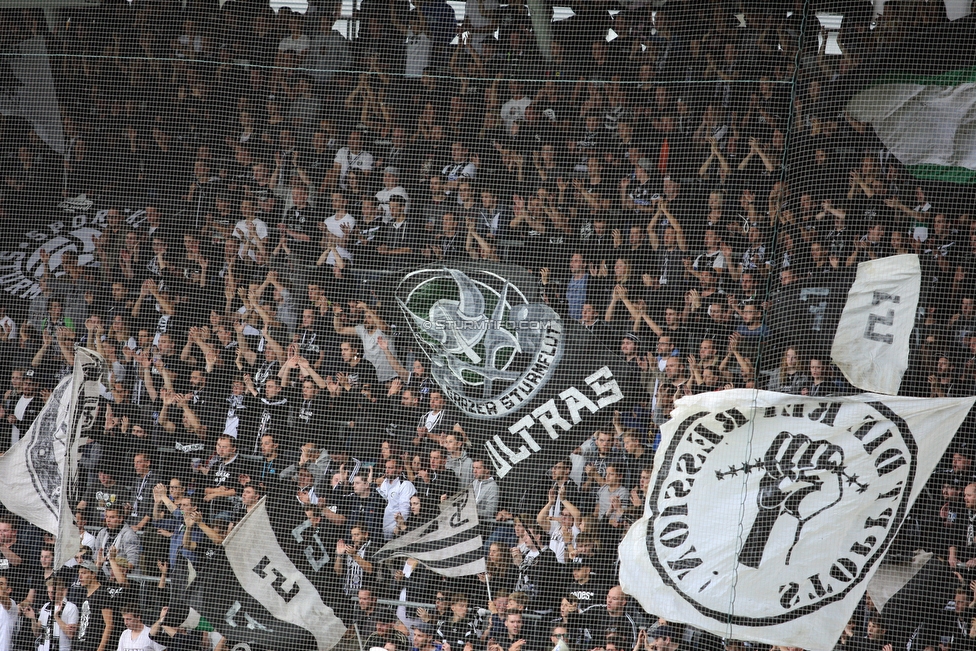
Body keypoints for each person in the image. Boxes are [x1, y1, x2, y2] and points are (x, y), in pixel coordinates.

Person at [23, 577, 79, 651]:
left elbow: (71, 634)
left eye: (53, 592)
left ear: (61, 590)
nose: (50, 595)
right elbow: (37, 633)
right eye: (48, 592)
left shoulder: (71, 608)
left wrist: (56, 617)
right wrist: (33, 618)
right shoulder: (46, 606)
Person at [73, 561, 114, 651]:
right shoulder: (84, 593)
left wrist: (100, 648)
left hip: (94, 645)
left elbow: (109, 624)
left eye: (83, 573)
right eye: (79, 573)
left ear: (93, 574)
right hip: (81, 644)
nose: (80, 577)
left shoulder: (102, 594)